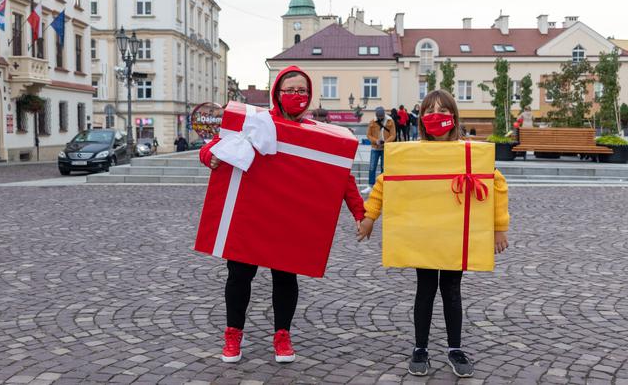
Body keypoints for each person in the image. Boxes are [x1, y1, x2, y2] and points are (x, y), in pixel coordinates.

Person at [199, 65, 365, 364]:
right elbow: (212, 147)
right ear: (277, 93)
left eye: (302, 90)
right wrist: (211, 157)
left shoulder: (318, 134)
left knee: (285, 277)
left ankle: (282, 335)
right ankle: (233, 333)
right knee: (239, 276)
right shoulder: (256, 122)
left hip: (288, 220)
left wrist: (359, 213)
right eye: (290, 90)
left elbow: (343, 177)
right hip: (250, 216)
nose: (296, 95)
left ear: (309, 95)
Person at [357, 90, 510, 378]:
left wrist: (499, 227)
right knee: (425, 291)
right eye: (428, 111)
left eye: (442, 110)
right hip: (424, 236)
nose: (435, 116)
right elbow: (385, 182)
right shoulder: (411, 153)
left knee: (452, 291)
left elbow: (497, 185)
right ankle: (420, 348)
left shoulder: (470, 152)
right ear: (422, 120)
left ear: (453, 116)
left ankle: (454, 348)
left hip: (454, 236)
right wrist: (369, 216)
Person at [361, 106, 396, 195]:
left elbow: (393, 135)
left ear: (384, 114)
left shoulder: (390, 121)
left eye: (382, 116)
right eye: (379, 116)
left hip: (385, 148)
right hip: (375, 148)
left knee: (384, 167)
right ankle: (370, 186)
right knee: (372, 167)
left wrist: (386, 142)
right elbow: (368, 135)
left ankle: (382, 185)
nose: (380, 118)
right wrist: (376, 141)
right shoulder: (372, 121)